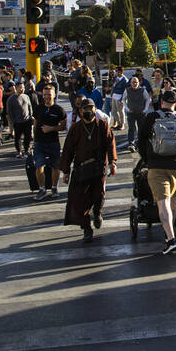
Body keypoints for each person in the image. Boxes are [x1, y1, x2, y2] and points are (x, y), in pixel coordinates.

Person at [137, 89, 176, 256]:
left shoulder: (151, 118)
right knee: (173, 201)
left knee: (163, 203)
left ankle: (170, 239)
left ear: (161, 102)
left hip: (156, 164)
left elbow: (141, 140)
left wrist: (147, 159)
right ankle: (171, 229)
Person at [59, 98, 117, 243]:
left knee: (98, 196)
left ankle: (97, 213)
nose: (88, 112)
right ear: (80, 111)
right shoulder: (75, 128)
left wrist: (112, 162)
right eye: (85, 109)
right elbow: (68, 150)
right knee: (80, 201)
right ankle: (86, 228)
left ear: (94, 110)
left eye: (91, 109)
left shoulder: (102, 125)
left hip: (98, 168)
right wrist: (66, 171)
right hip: (81, 170)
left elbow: (110, 144)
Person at [32, 82, 65, 201]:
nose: (46, 97)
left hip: (53, 142)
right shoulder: (38, 108)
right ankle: (42, 189)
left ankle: (54, 187)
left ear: (54, 95)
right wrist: (33, 139)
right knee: (39, 166)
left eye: (49, 95)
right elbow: (35, 124)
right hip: (39, 142)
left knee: (55, 166)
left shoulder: (58, 110)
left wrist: (51, 128)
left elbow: (63, 126)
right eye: (45, 94)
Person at [123, 75, 152, 150]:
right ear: (130, 83)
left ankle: (141, 143)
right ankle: (131, 143)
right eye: (133, 82)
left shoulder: (143, 90)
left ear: (139, 83)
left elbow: (148, 99)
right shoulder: (127, 90)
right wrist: (127, 108)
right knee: (131, 128)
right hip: (131, 112)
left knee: (141, 128)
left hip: (141, 113)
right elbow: (123, 100)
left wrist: (145, 109)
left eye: (136, 82)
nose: (134, 84)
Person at [6, 82, 34, 157]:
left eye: (23, 87)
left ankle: (26, 150)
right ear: (16, 88)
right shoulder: (11, 99)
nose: (22, 89)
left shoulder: (26, 96)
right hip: (17, 122)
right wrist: (13, 121)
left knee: (27, 136)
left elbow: (30, 107)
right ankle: (19, 151)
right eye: (20, 87)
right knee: (18, 137)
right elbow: (9, 111)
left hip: (27, 120)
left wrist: (31, 116)